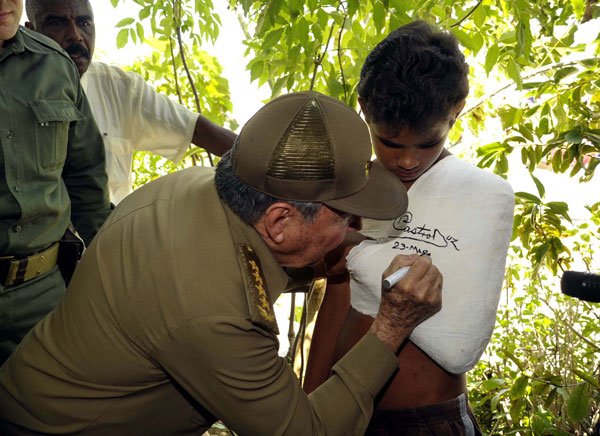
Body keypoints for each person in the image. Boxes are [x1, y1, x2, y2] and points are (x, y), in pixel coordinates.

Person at [0, 91, 444, 435]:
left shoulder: (196, 188)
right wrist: (391, 326)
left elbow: (245, 257)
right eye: (344, 215)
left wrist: (320, 262)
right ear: (280, 220)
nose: (353, 226)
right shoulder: (217, 313)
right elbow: (308, 430)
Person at [303, 21, 515, 435]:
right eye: (390, 144)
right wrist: (309, 406)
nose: (406, 161)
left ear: (456, 110)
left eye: (427, 143)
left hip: (425, 421)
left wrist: (362, 253)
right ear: (364, 108)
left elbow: (460, 339)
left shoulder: (478, 196)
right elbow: (339, 298)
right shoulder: (356, 192)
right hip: (345, 411)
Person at [24, 0, 237, 204]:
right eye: (56, 23)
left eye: (84, 23)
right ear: (31, 31)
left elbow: (198, 131)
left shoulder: (122, 89)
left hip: (108, 235)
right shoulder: (11, 92)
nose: (75, 36)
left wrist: (264, 161)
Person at [0, 0, 111, 364]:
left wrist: (104, 276)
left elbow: (86, 179)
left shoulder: (55, 66)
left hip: (44, 297)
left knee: (55, 415)